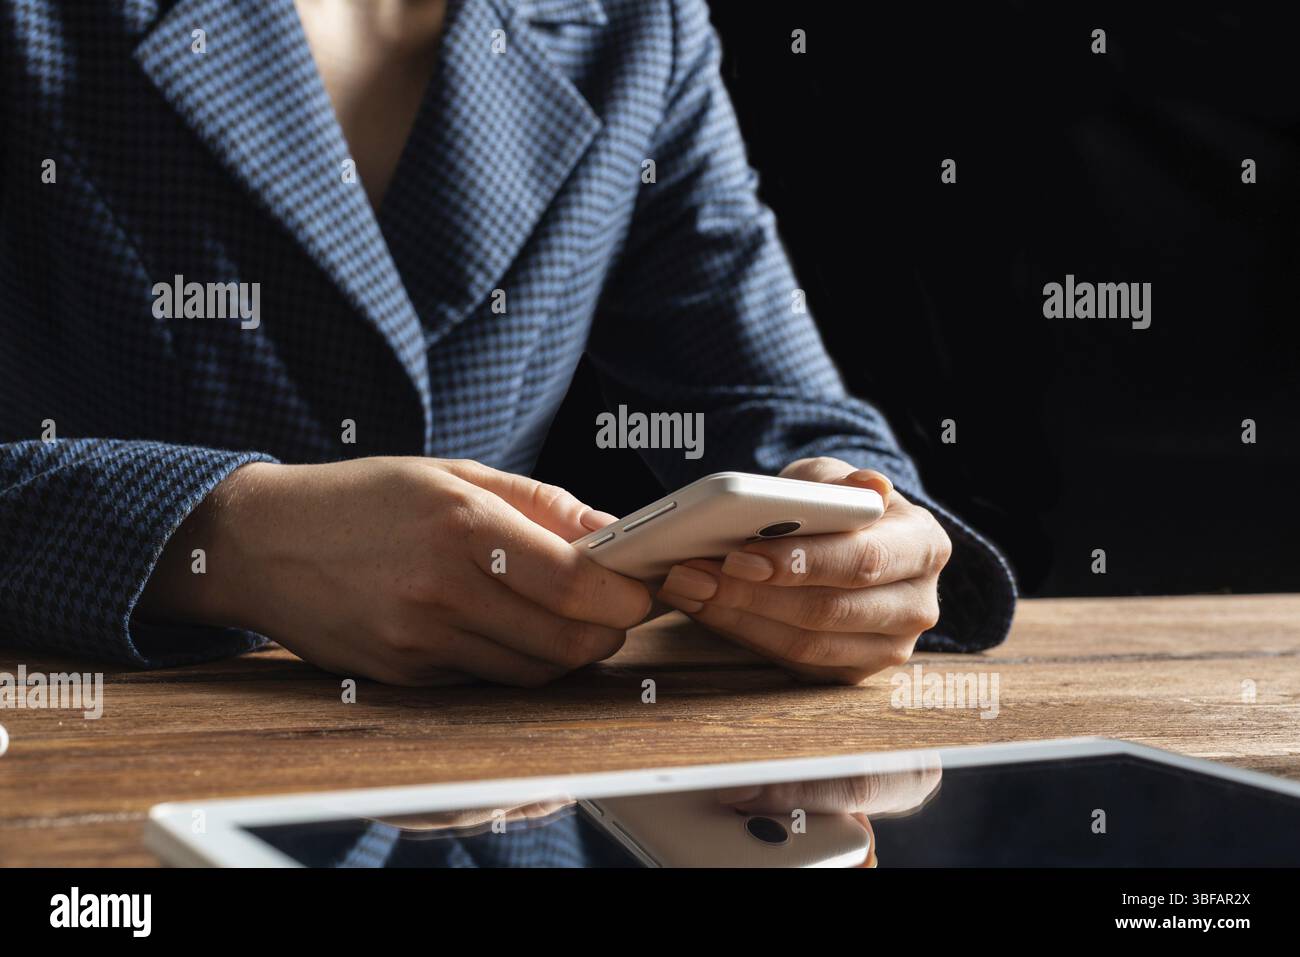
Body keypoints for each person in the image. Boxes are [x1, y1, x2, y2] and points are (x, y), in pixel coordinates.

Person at [0, 0, 1014, 686]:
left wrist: (869, 535)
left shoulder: (634, 23)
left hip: (492, 801)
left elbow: (773, 398)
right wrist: (220, 542)